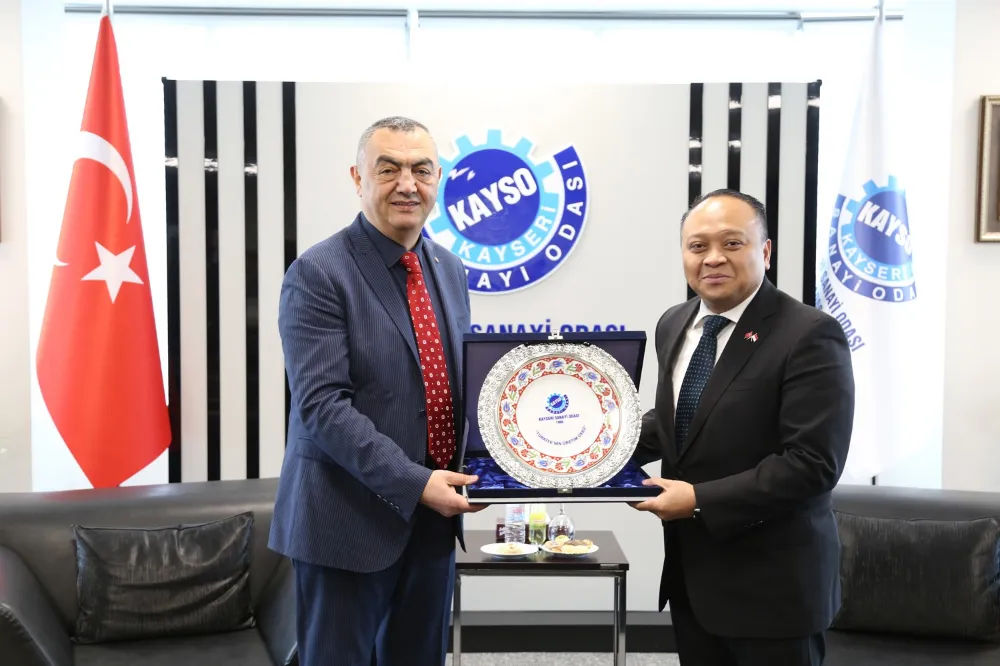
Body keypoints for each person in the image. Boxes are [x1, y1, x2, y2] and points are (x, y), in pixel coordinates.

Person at [268, 116, 485, 666]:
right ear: (357, 178)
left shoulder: (449, 268)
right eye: (388, 169)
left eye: (421, 170)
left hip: (433, 526)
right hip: (346, 524)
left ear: (438, 179)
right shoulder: (318, 272)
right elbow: (322, 408)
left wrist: (493, 466)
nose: (407, 184)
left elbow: (452, 387)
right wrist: (417, 483)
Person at [630, 189, 855, 666]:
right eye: (697, 246)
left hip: (773, 590)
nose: (713, 258)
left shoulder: (809, 333)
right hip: (693, 581)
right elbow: (676, 422)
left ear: (765, 251)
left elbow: (813, 463)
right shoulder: (674, 323)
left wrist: (697, 499)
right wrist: (581, 452)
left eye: (732, 243)